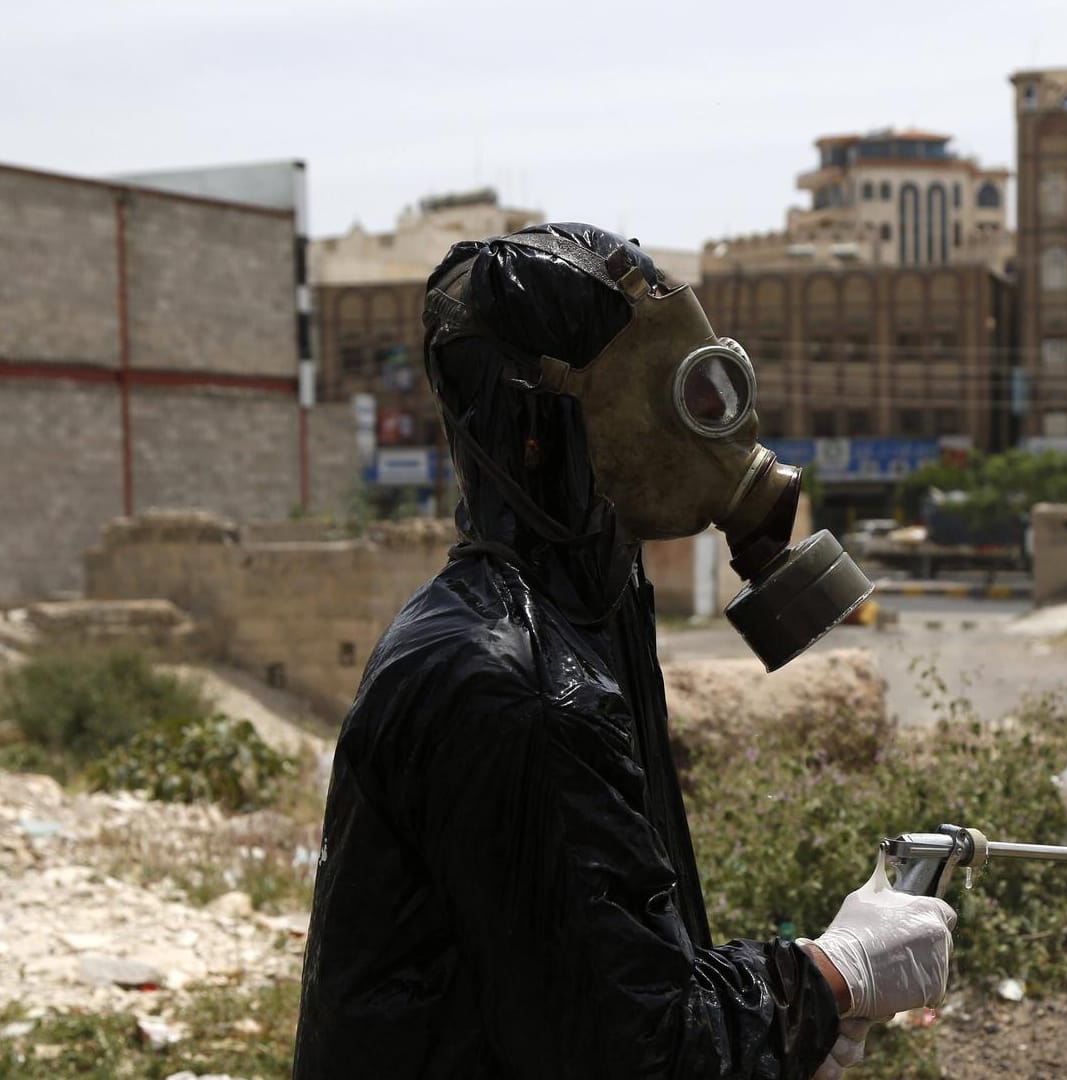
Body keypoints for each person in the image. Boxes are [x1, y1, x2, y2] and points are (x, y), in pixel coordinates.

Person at [293, 224, 955, 1079]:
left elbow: (592, 979)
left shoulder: (560, 621)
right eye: (689, 392)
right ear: (549, 420)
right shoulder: (518, 689)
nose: (721, 422)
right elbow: (635, 1050)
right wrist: (831, 977)